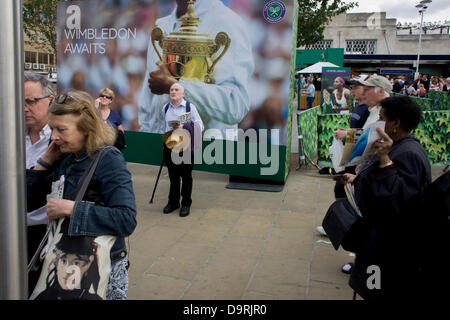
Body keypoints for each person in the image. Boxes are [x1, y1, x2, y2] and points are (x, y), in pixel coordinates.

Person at [26, 90, 137, 300]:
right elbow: (25, 200)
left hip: (99, 265)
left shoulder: (108, 158)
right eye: (52, 129)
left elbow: (126, 219)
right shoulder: (67, 156)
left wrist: (71, 209)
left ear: (86, 129)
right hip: (67, 264)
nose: (55, 136)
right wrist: (45, 160)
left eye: (61, 129)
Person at [338, 96, 431, 300]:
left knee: (376, 290)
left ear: (396, 123)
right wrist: (358, 178)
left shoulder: (409, 153)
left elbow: (400, 199)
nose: (378, 124)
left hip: (389, 248)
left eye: (382, 119)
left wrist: (385, 161)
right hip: (377, 241)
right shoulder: (396, 147)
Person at [138, 0, 253, 140]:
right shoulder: (162, 26)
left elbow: (235, 105)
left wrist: (175, 86)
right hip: (158, 151)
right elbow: (148, 109)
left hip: (208, 153)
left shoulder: (227, 22)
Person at [24, 72, 56, 295]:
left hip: (46, 234)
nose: (25, 108)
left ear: (50, 100)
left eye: (31, 101)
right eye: (20, 102)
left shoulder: (59, 138)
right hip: (12, 230)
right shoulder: (9, 134)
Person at [162, 83, 204, 217]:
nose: (173, 92)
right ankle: (173, 202)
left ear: (183, 94)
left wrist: (184, 126)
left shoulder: (189, 107)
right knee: (173, 177)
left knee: (186, 176)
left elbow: (200, 125)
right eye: (171, 90)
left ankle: (186, 203)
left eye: (177, 90)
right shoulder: (165, 108)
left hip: (186, 146)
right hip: (170, 146)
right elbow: (164, 127)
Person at [34, 233, 102, 300]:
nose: (67, 270)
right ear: (57, 262)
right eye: (63, 261)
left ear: (87, 264)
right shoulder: (44, 297)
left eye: (76, 263)